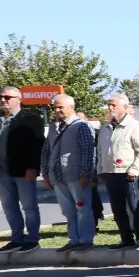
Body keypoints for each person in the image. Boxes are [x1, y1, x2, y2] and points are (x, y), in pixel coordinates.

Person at [0, 87, 44, 251]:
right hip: (1, 171)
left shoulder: (31, 119)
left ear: (19, 99)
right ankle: (17, 238)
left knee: (29, 206)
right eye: (1, 96)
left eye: (7, 97)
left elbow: (37, 145)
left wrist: (33, 167)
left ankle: (32, 239)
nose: (3, 100)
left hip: (23, 171)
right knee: (9, 207)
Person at [40, 94, 98, 252]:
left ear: (72, 107)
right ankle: (74, 240)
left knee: (82, 208)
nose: (57, 110)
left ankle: (85, 240)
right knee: (68, 211)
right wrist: (45, 173)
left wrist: (85, 174)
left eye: (60, 107)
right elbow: (46, 150)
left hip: (76, 176)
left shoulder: (82, 126)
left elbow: (88, 151)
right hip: (58, 177)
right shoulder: (53, 127)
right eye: (55, 107)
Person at [96, 94, 139, 250]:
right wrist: (101, 169)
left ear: (125, 107)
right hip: (110, 174)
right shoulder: (105, 127)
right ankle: (126, 239)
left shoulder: (134, 126)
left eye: (114, 105)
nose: (110, 107)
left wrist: (134, 170)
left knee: (135, 208)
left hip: (129, 174)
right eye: (109, 104)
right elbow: (100, 152)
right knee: (117, 209)